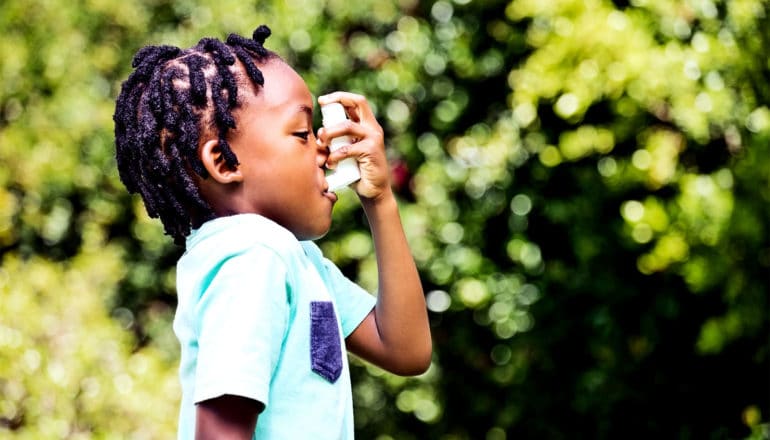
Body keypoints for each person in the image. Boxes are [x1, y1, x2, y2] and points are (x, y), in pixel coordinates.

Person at [113, 25, 431, 439]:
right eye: (301, 134)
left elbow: (405, 348)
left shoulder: (293, 260)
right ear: (224, 163)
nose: (323, 147)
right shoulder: (252, 259)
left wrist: (380, 200)